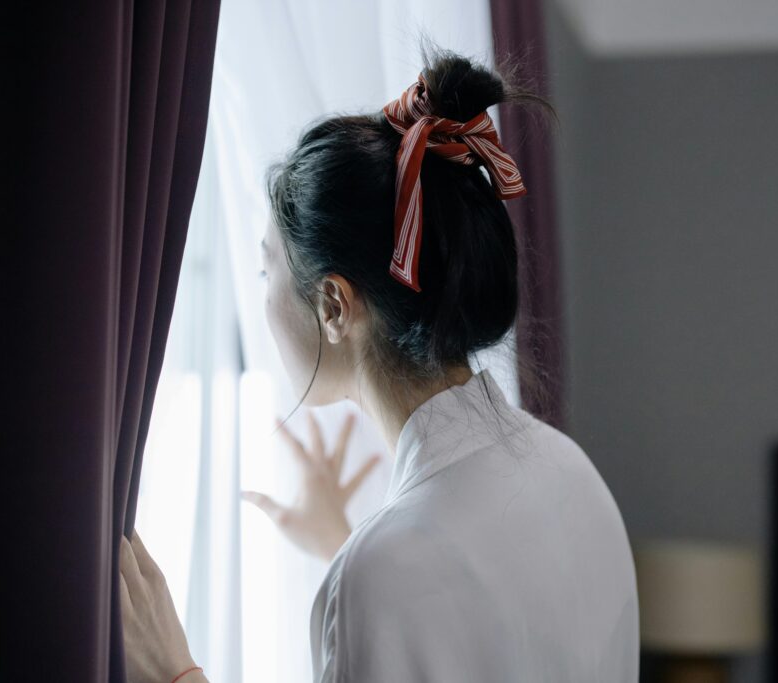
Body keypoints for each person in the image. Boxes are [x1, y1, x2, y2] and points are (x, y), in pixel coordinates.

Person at [119, 43, 640, 683]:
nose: (259, 297)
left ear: (335, 306)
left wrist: (174, 673)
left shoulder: (386, 572)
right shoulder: (571, 471)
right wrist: (343, 543)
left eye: (266, 270)